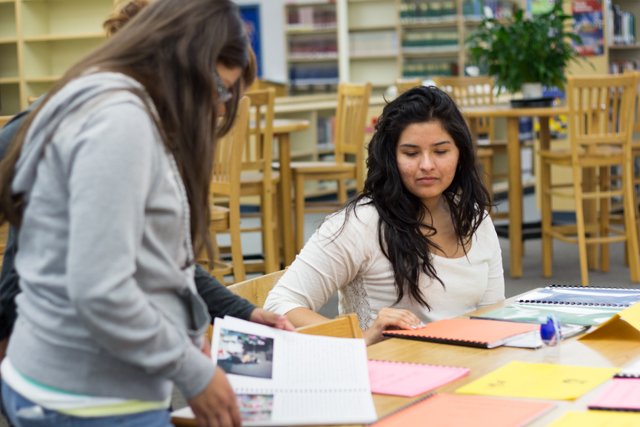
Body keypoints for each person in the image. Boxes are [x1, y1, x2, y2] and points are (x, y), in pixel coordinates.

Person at [0, 1, 265, 426]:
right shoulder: (121, 122)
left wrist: (192, 324)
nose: (220, 106)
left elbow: (148, 256)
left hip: (73, 384)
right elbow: (100, 289)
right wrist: (193, 371)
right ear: (185, 60)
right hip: (87, 398)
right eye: (219, 88)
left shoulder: (108, 100)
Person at [264, 86, 505, 346]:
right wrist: (359, 338)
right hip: (385, 378)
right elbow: (278, 306)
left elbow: (494, 318)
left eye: (441, 151)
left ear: (460, 154)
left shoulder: (474, 219)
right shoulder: (361, 224)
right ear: (390, 157)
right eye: (411, 153)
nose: (427, 165)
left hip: (466, 374)